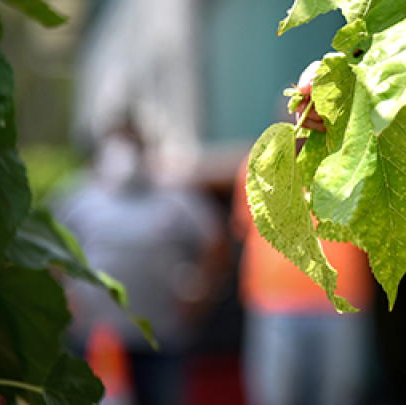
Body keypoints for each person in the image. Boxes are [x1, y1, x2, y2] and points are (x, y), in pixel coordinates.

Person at [56, 118, 226, 405]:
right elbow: (47, 244)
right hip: (96, 336)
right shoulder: (77, 194)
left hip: (161, 335)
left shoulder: (174, 195)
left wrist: (201, 291)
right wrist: (64, 296)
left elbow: (214, 239)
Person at [233, 149, 374, 405]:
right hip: (273, 303)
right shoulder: (257, 163)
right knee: (274, 395)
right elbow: (244, 225)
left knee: (341, 394)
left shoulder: (356, 161)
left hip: (342, 302)